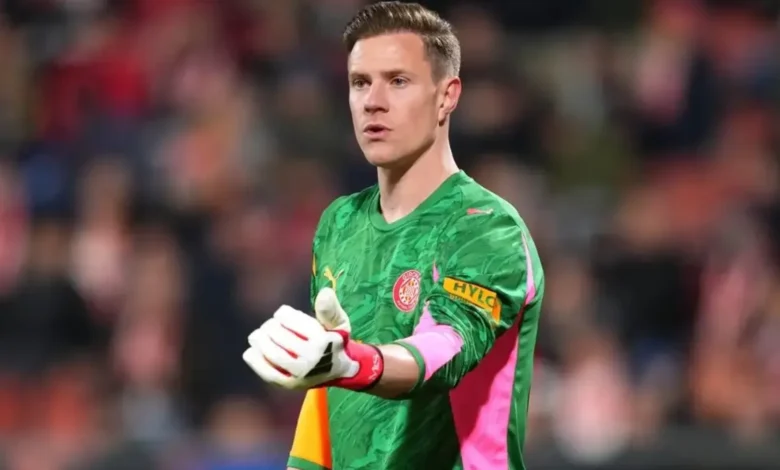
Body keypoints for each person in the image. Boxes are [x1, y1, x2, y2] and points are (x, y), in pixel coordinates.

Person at [242, 2, 545, 469]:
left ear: (447, 96)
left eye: (398, 81)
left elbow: (447, 346)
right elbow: (327, 395)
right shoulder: (340, 222)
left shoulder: (487, 229)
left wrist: (354, 364)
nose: (373, 101)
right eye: (360, 82)